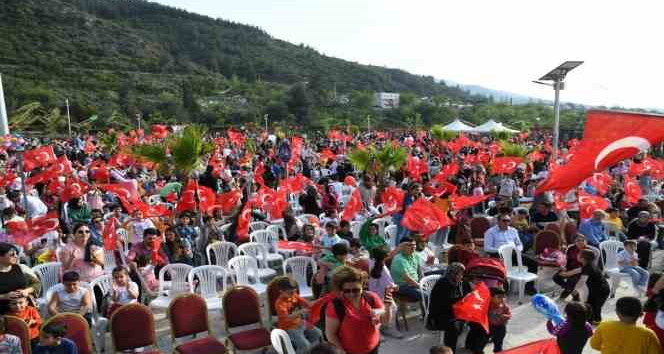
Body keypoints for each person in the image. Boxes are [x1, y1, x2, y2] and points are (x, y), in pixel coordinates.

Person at [325, 266, 386, 354]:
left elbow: (383, 315)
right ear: (341, 290)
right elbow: (330, 334)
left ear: (362, 286)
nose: (352, 294)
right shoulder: (335, 306)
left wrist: (381, 311)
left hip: (373, 347)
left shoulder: (371, 298)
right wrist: (342, 352)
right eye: (347, 291)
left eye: (356, 290)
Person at [590, 296, 663, 354]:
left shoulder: (604, 326)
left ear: (617, 312)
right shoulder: (648, 334)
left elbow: (594, 345)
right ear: (640, 314)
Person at [426, 263, 473, 353]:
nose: (462, 276)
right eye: (460, 274)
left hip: (457, 311)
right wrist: (462, 300)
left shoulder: (462, 282)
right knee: (453, 326)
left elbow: (468, 294)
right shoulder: (442, 284)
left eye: (462, 274)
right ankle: (450, 351)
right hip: (440, 315)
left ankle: (471, 346)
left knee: (476, 318)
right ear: (453, 274)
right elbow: (442, 305)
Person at [558, 249, 610, 324]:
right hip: (598, 289)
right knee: (590, 305)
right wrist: (563, 272)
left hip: (601, 290)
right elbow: (574, 272)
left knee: (595, 307)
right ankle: (590, 320)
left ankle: (597, 322)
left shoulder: (588, 267)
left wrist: (575, 291)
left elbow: (582, 281)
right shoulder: (588, 265)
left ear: (583, 258)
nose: (577, 255)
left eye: (579, 254)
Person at [274, 278, 322, 354]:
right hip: (288, 327)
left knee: (319, 334)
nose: (292, 295)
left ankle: (311, 351)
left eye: (294, 291)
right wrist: (301, 311)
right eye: (290, 293)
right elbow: (287, 317)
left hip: (300, 322)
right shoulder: (279, 303)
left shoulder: (294, 295)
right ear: (281, 291)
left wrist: (320, 300)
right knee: (305, 345)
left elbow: (309, 304)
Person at [367, 246, 401, 339]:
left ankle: (383, 328)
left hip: (375, 294)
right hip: (381, 295)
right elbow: (389, 285)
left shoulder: (372, 262)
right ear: (385, 256)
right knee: (391, 308)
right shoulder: (382, 267)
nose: (390, 254)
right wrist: (396, 287)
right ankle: (384, 329)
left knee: (388, 309)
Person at [554, 235, 599, 301]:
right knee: (556, 277)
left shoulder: (588, 251)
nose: (581, 242)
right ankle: (569, 290)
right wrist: (564, 267)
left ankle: (574, 295)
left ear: (585, 241)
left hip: (581, 271)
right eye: (578, 240)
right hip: (570, 268)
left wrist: (569, 273)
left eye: (582, 240)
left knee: (572, 279)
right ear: (574, 242)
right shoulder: (571, 249)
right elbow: (567, 260)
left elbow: (588, 267)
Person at [0, 243, 41, 315]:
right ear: (1, 257)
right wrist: (3, 296)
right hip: (3, 313)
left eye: (16, 254)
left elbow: (36, 283)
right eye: (12, 254)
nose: (16, 256)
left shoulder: (20, 268)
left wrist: (27, 291)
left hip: (24, 312)